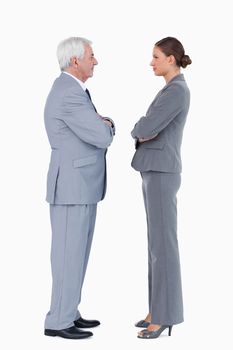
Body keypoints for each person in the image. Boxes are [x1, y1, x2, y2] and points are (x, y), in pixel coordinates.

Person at [43, 37, 115, 339]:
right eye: (91, 56)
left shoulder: (74, 91)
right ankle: (58, 321)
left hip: (81, 185)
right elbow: (101, 135)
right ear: (76, 61)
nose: (95, 61)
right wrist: (108, 125)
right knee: (66, 256)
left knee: (77, 255)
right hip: (72, 186)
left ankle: (69, 312)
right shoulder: (69, 93)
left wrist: (101, 124)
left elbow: (94, 130)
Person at [131, 37, 191, 339]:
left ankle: (165, 315)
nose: (151, 62)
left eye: (156, 56)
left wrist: (139, 129)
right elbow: (149, 127)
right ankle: (157, 308)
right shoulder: (169, 90)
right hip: (155, 170)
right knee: (156, 246)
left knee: (163, 247)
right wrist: (144, 129)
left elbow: (146, 127)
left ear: (171, 59)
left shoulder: (176, 91)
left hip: (163, 171)